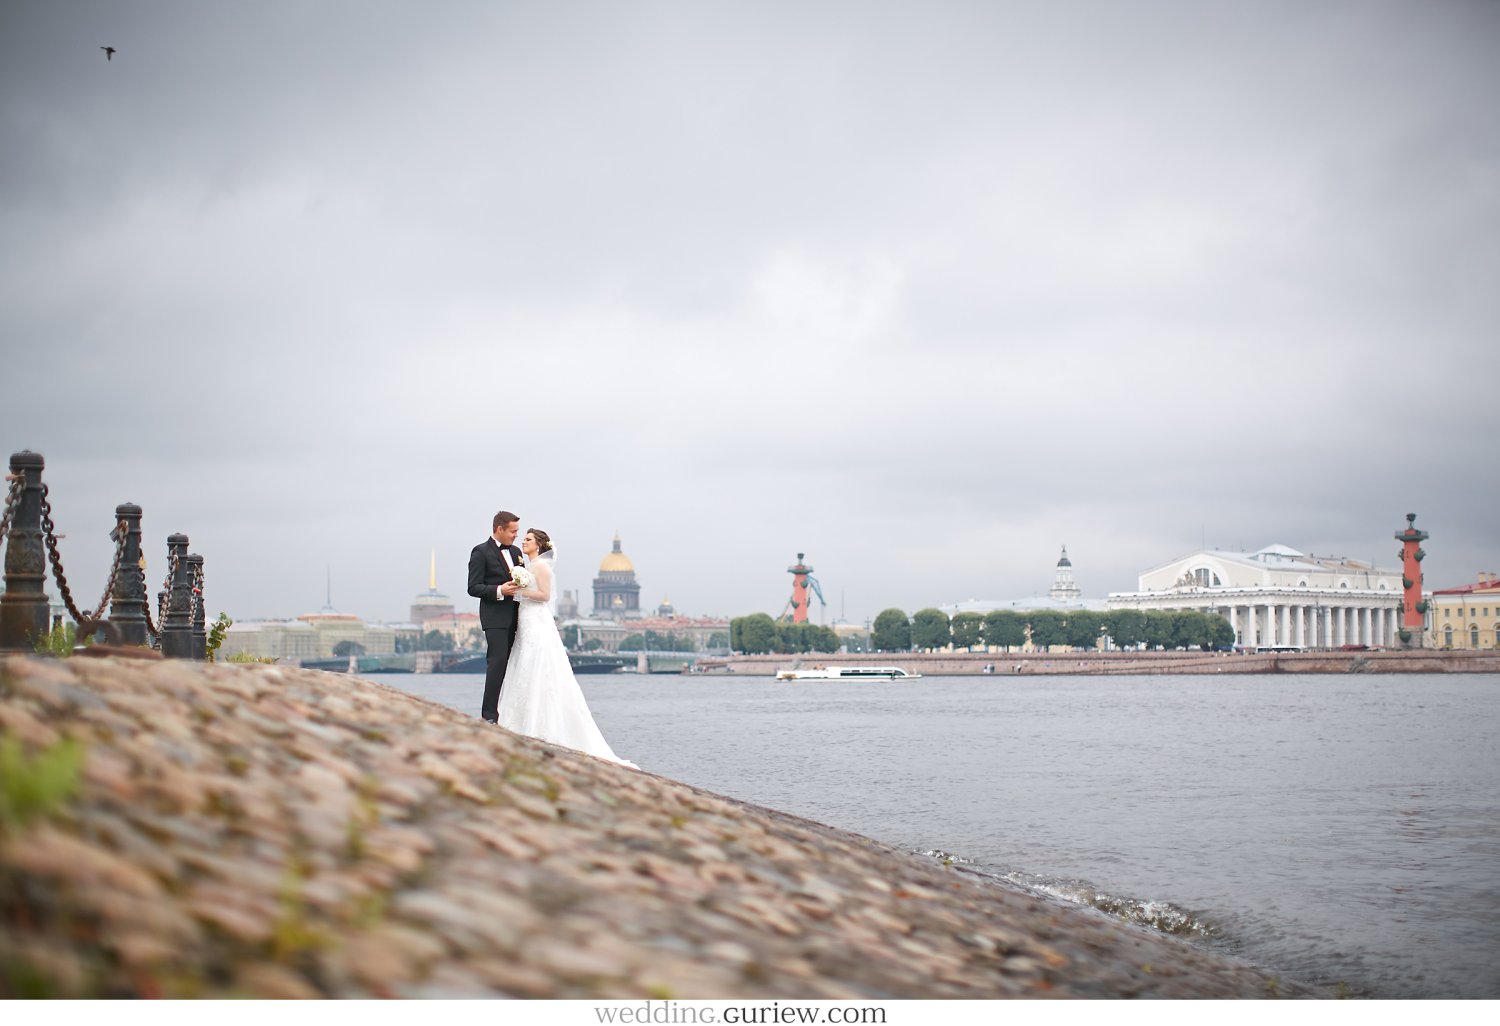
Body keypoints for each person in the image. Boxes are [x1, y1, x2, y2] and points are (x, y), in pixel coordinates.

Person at [498, 528, 635, 767]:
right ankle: (521, 723)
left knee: (538, 669)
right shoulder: (530, 565)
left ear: (539, 545)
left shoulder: (541, 567)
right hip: (528, 623)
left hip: (536, 623)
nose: (524, 541)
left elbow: (545, 595)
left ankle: (536, 726)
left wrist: (520, 591)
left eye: (528, 539)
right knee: (526, 669)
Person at [467, 511, 523, 724]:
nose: (516, 535)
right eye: (512, 531)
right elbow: (473, 587)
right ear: (499, 529)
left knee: (516, 664)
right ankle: (489, 716)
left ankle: (512, 715)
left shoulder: (516, 551)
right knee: (497, 663)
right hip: (495, 618)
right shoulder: (480, 552)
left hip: (518, 617)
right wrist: (500, 590)